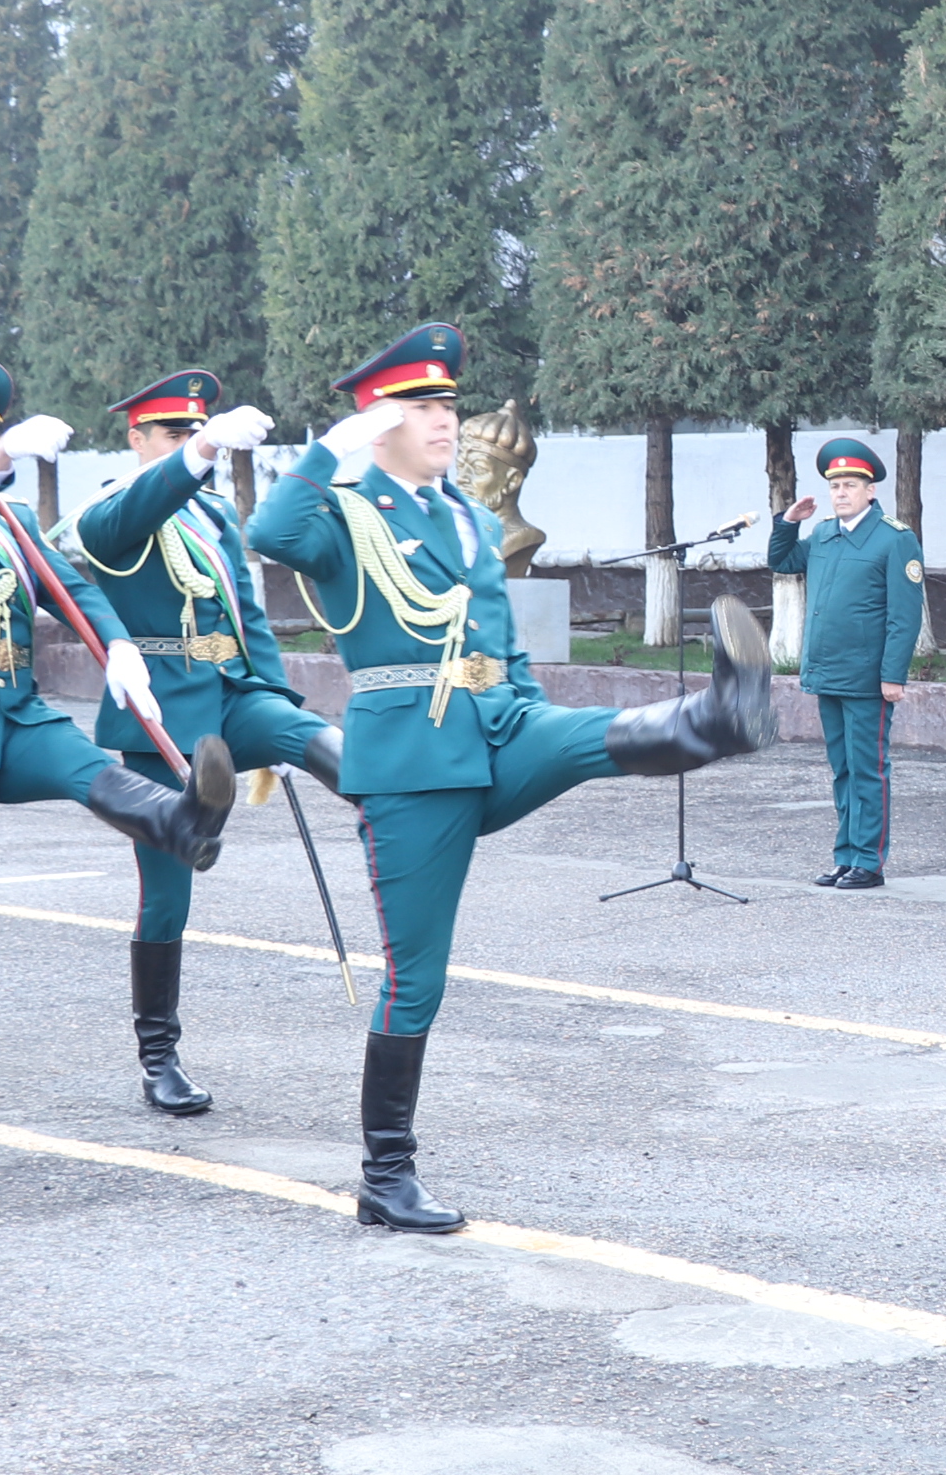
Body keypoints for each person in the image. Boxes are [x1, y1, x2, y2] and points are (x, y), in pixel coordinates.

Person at [248, 323, 778, 1232]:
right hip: (411, 761)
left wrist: (524, 700)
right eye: (422, 406)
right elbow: (272, 532)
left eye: (448, 404)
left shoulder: (462, 514)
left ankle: (716, 720)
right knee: (418, 978)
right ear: (378, 421)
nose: (445, 420)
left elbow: (496, 635)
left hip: (498, 720)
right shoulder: (344, 513)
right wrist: (330, 447)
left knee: (577, 736)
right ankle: (385, 1176)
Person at [0, 355, 238, 1142]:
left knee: (88, 768)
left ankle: (182, 821)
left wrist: (119, 647)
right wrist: (1, 462)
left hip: (13, 710)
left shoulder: (12, 523)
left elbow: (74, 586)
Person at [70, 366, 343, 1116]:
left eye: (198, 430)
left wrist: (276, 696)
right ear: (137, 439)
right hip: (163, 712)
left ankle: (396, 805)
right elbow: (134, 515)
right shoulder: (111, 513)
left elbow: (247, 615)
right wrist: (199, 455)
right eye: (175, 433)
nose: (192, 441)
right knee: (168, 899)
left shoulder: (215, 514)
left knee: (314, 736)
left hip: (231, 692)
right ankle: (159, 1057)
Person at [766, 436, 925, 892]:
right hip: (829, 672)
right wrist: (788, 522)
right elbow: (782, 561)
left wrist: (892, 675)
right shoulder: (823, 533)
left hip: (867, 678)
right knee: (842, 770)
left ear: (870, 491)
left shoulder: (894, 539)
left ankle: (869, 862)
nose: (841, 493)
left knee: (868, 770)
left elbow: (904, 616)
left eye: (850, 485)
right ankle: (845, 857)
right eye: (835, 486)